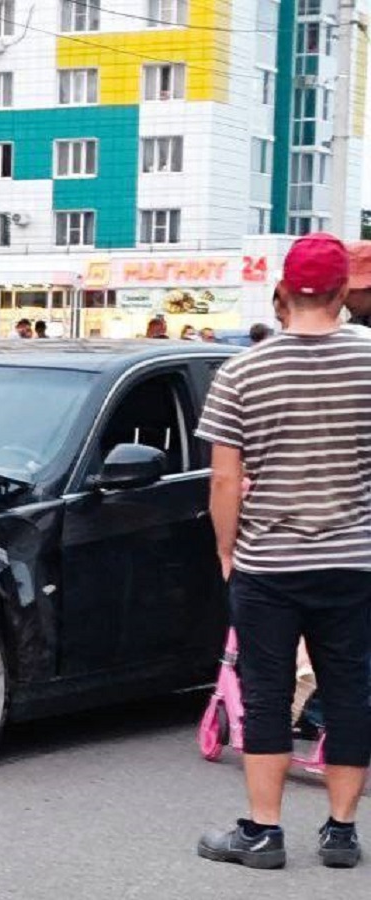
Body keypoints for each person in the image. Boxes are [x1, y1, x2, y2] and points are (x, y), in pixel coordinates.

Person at [196, 233, 371, 870]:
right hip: (354, 560)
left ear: (284, 292)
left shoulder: (242, 369)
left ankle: (263, 833)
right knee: (352, 689)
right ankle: (342, 832)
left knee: (266, 692)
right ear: (343, 291)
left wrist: (226, 549)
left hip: (268, 563)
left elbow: (222, 479)